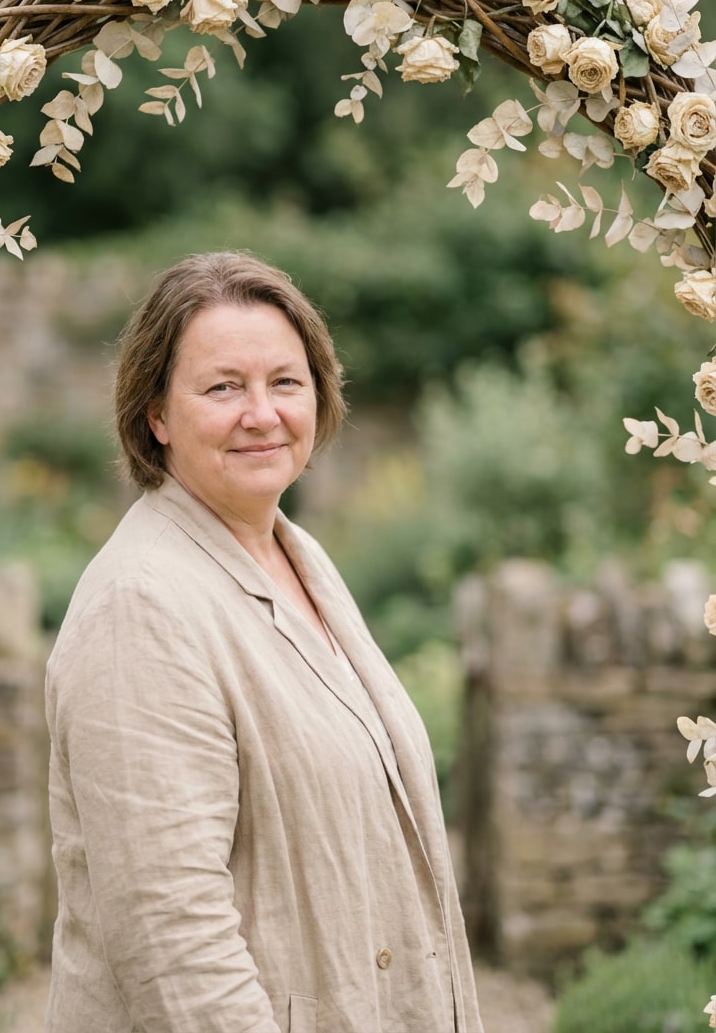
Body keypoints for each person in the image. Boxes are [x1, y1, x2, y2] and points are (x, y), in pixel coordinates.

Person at [45, 251, 483, 1033]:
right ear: (156, 415)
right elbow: (173, 944)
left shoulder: (295, 556)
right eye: (222, 387)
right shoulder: (141, 606)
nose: (262, 413)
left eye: (285, 382)